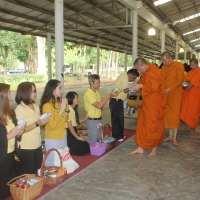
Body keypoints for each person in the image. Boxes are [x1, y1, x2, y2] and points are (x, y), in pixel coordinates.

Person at [129, 58, 166, 157]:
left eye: (138, 69)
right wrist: (135, 88)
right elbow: (143, 83)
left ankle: (154, 148)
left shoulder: (154, 71)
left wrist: (141, 86)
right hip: (146, 103)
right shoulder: (146, 73)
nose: (138, 71)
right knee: (143, 125)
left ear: (143, 66)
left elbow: (154, 88)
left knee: (153, 126)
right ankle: (141, 147)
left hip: (154, 104)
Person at [15, 82, 50, 175]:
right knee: (28, 174)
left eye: (35, 91)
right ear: (25, 92)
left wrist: (43, 121)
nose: (35, 93)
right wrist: (37, 123)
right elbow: (20, 130)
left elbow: (38, 123)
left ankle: (36, 188)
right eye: (33, 91)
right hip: (26, 147)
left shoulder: (35, 106)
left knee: (38, 170)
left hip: (37, 144)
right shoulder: (20, 108)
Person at [0, 83, 25, 199]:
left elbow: (14, 134)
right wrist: (9, 135)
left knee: (10, 187)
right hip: (1, 158)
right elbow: (8, 135)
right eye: (8, 93)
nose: (11, 96)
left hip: (10, 155)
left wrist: (19, 133)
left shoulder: (11, 113)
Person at [40, 79, 68, 166]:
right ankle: (50, 178)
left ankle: (59, 178)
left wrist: (66, 109)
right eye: (60, 88)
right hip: (53, 138)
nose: (62, 91)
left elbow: (65, 120)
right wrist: (62, 110)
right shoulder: (47, 106)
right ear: (53, 90)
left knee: (62, 160)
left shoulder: (58, 103)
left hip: (62, 135)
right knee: (53, 161)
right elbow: (52, 125)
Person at [84, 74, 117, 145]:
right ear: (91, 83)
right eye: (97, 83)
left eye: (99, 82)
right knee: (93, 139)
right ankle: (80, 140)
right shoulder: (88, 94)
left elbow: (100, 106)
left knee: (98, 137)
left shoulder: (97, 93)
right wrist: (109, 96)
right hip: (92, 120)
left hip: (98, 119)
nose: (99, 84)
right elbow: (99, 106)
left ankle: (94, 150)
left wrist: (104, 99)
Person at [161, 51, 184, 145]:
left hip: (175, 94)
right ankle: (170, 136)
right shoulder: (163, 67)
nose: (164, 62)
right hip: (166, 94)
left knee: (174, 116)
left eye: (165, 60)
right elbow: (162, 80)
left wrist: (169, 89)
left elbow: (179, 81)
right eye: (162, 61)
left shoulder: (179, 66)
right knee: (168, 115)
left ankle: (174, 138)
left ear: (170, 58)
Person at [109, 69, 139, 141]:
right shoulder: (125, 78)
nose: (132, 80)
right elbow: (125, 90)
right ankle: (116, 136)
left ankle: (120, 135)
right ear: (131, 75)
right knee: (116, 119)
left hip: (118, 100)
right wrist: (134, 89)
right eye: (133, 78)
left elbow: (123, 89)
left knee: (120, 118)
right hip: (116, 100)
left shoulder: (123, 76)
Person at [65, 91, 90, 155]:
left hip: (73, 132)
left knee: (87, 146)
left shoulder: (73, 109)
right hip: (69, 134)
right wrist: (77, 137)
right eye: (76, 98)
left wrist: (84, 118)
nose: (78, 99)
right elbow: (70, 126)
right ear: (71, 100)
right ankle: (68, 150)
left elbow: (76, 122)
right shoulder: (68, 110)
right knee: (82, 150)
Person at [180, 58, 200, 133]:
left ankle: (193, 127)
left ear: (197, 64)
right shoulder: (190, 72)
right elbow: (186, 80)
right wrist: (185, 84)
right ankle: (189, 125)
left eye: (193, 65)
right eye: (190, 65)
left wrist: (193, 85)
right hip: (188, 93)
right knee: (188, 110)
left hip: (196, 94)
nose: (191, 66)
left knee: (194, 111)